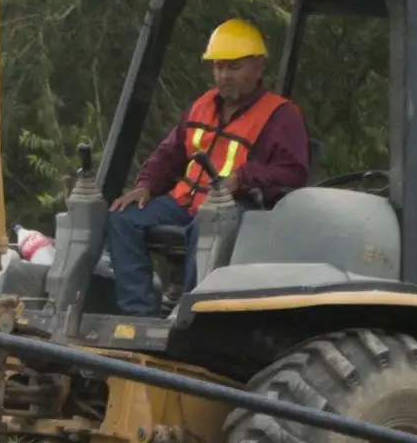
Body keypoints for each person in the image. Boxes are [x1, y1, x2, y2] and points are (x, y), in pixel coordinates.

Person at [107, 19, 309, 314]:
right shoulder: (201, 105)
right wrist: (145, 185)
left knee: (205, 227)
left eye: (234, 67)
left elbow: (294, 173)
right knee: (123, 218)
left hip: (236, 209)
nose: (224, 75)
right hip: (183, 202)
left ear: (258, 67)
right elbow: (169, 152)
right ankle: (140, 315)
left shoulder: (281, 115)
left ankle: (189, 316)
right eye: (218, 67)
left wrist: (243, 178)